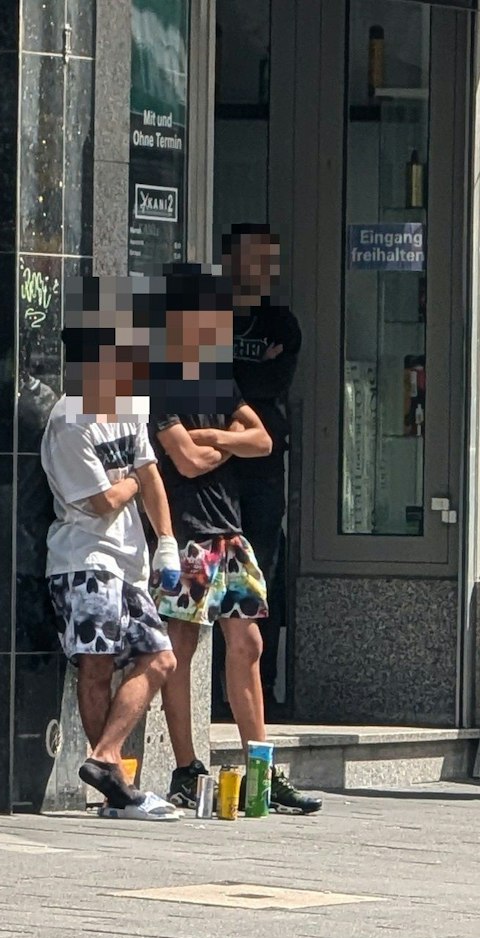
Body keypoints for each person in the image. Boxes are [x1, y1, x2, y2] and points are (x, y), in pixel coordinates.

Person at [150, 263, 322, 816]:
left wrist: (217, 436)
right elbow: (188, 460)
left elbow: (264, 440)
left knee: (247, 644)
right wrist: (227, 443)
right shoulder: (159, 380)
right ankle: (184, 767)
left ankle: (260, 771)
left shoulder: (218, 380)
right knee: (180, 649)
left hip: (230, 532)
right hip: (189, 534)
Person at [44, 276, 185, 820]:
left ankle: (105, 758)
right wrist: (132, 476)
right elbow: (102, 501)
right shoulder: (68, 419)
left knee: (161, 658)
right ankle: (115, 789)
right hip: (83, 562)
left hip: (128, 561)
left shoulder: (129, 405)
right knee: (97, 665)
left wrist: (167, 543)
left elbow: (149, 475)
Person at [223, 225, 300, 713]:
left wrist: (239, 377)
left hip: (265, 467)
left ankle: (262, 689)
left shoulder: (282, 323)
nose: (263, 269)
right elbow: (206, 378)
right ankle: (215, 690)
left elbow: (272, 381)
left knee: (261, 573)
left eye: (269, 259)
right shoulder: (211, 316)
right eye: (254, 258)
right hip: (215, 470)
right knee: (213, 576)